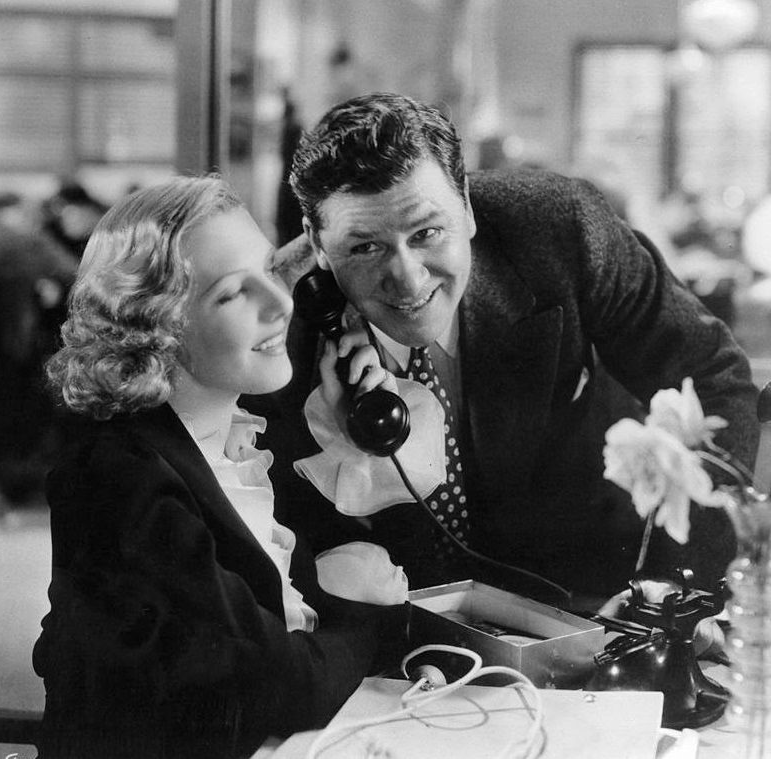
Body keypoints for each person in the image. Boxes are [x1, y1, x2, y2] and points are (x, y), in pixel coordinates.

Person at [268, 92, 759, 600]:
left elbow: (713, 376)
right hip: (405, 633)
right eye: (365, 247)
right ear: (317, 243)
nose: (409, 282)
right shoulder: (272, 324)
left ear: (466, 206)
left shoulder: (561, 229)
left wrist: (676, 593)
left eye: (427, 232)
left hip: (601, 592)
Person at [32, 176, 411, 759]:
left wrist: (343, 435)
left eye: (271, 271)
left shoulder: (236, 434)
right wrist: (358, 610)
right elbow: (274, 683)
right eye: (235, 293)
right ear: (156, 325)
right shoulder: (119, 476)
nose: (282, 302)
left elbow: (292, 592)